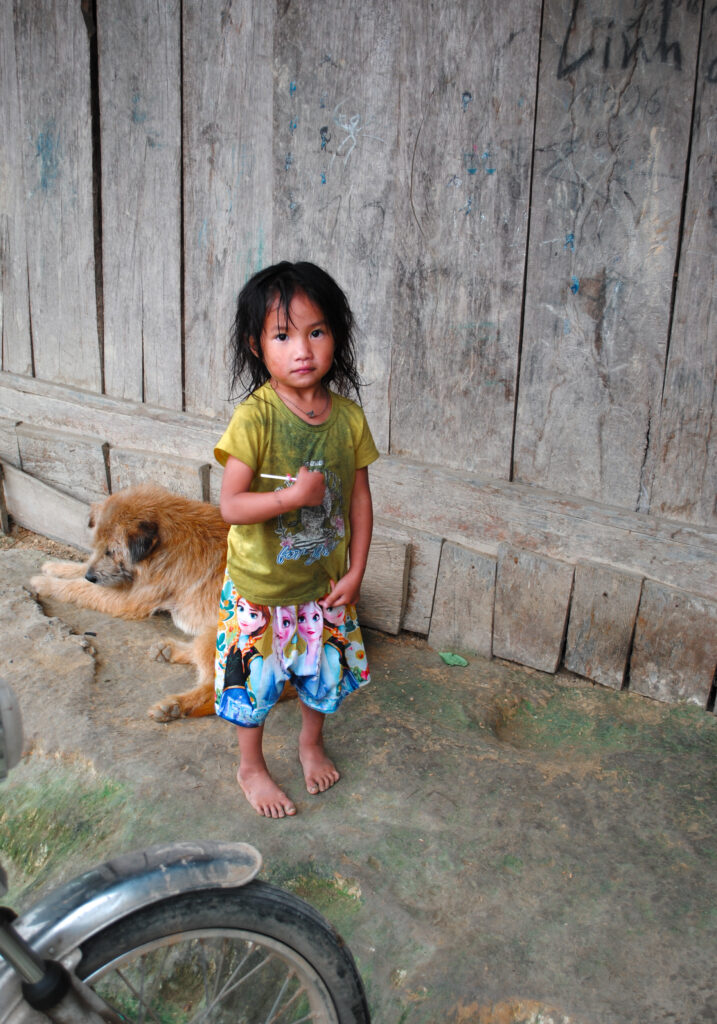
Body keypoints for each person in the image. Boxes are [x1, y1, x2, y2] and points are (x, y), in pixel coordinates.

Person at [214, 261, 379, 818]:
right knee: (254, 687)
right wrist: (290, 499)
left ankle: (311, 743)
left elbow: (358, 498)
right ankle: (251, 766)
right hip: (261, 586)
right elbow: (230, 505)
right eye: (282, 336)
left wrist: (356, 571)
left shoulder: (349, 419)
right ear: (257, 347)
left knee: (321, 673)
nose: (301, 349)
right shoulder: (254, 419)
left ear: (336, 335)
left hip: (324, 585)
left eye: (316, 331)